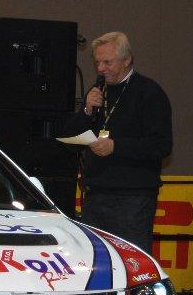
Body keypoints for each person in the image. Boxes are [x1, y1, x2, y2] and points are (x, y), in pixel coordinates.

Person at [63, 31, 172, 254]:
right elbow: (69, 139)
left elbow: (161, 145)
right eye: (97, 62)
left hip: (132, 199)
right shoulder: (97, 92)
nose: (101, 68)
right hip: (95, 196)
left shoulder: (149, 92)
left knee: (131, 260)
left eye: (107, 62)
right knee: (97, 260)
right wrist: (86, 111)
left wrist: (116, 146)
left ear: (127, 59)